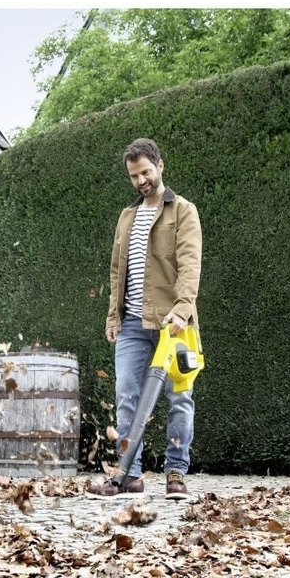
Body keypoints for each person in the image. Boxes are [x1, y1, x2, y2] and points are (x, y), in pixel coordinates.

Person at [86, 138, 202, 501]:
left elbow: (189, 264)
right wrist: (113, 316)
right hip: (133, 324)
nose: (141, 181)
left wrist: (183, 308)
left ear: (160, 166)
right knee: (126, 397)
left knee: (179, 398)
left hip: (174, 324)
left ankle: (175, 473)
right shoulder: (127, 217)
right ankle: (128, 476)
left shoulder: (183, 210)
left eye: (146, 172)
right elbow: (117, 270)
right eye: (134, 175)